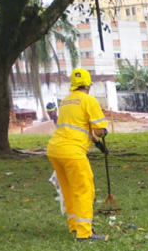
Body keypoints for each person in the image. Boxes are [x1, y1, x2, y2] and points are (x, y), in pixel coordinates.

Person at [46, 68, 110, 242]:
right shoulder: (88, 100)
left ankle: (74, 225)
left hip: (54, 150)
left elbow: (82, 128)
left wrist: (97, 144)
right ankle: (84, 233)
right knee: (84, 190)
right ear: (88, 85)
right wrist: (103, 131)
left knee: (68, 189)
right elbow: (98, 129)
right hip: (72, 152)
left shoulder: (66, 101)